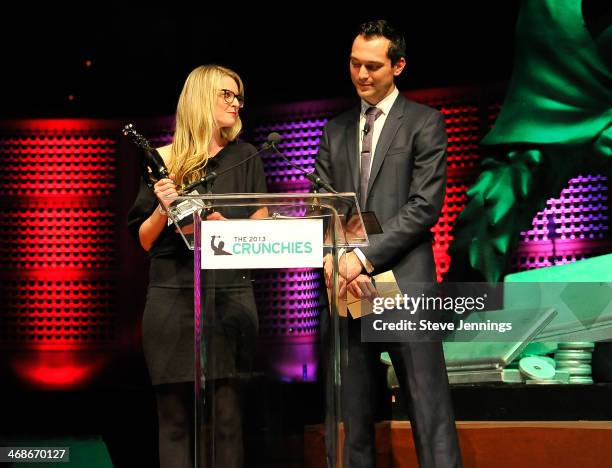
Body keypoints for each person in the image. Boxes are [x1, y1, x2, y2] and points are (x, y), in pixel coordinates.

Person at [315, 21, 462, 467]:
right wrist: (330, 255)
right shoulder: (335, 129)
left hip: (405, 283)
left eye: (373, 66)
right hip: (347, 288)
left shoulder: (424, 122)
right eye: (355, 64)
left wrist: (361, 257)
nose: (361, 74)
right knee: (353, 418)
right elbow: (321, 204)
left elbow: (423, 206)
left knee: (428, 409)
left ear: (398, 65)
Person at [127, 64, 268, 468]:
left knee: (227, 419)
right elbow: (144, 239)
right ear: (201, 97)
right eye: (226, 93)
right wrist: (162, 208)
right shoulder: (164, 159)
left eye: (238, 95)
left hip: (230, 294)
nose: (235, 102)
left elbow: (262, 226)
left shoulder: (247, 156)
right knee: (173, 421)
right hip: (172, 298)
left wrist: (230, 231)